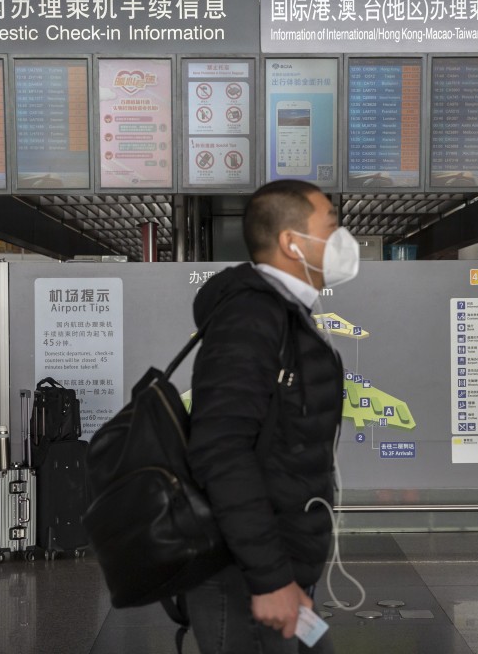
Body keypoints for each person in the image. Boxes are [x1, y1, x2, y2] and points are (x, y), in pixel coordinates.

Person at [186, 180, 359, 653]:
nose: (343, 237)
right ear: (291, 242)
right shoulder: (251, 317)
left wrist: (289, 575)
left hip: (280, 563)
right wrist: (270, 579)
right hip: (244, 575)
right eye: (331, 224)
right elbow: (222, 449)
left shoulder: (283, 314)